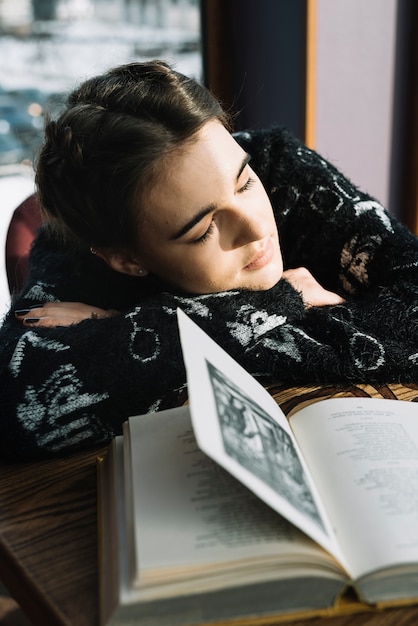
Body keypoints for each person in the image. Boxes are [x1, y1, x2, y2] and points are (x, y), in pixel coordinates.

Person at [1, 60, 418, 462]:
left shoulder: (280, 165)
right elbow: (14, 409)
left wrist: (126, 327)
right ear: (128, 259)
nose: (255, 227)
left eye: (245, 183)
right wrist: (284, 300)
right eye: (203, 230)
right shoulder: (71, 253)